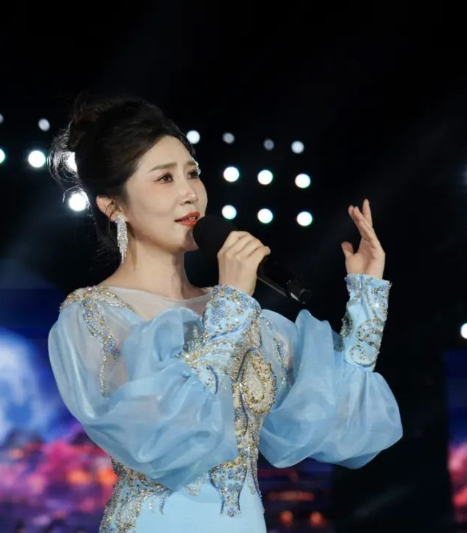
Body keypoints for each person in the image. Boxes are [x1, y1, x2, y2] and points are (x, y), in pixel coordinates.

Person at [47, 95, 402, 533]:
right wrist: (231, 304)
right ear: (113, 206)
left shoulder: (240, 313)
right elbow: (162, 441)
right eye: (164, 178)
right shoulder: (93, 314)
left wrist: (366, 297)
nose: (189, 193)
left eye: (192, 173)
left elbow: (339, 415)